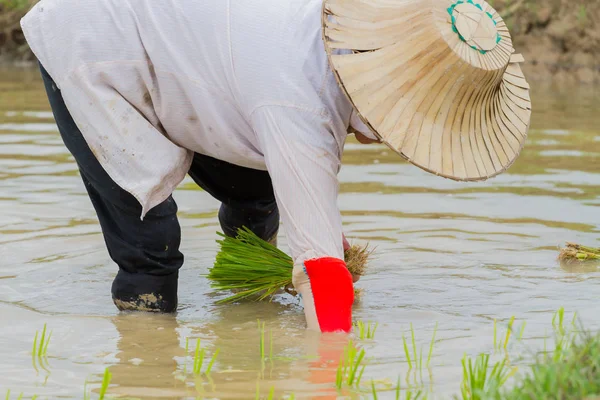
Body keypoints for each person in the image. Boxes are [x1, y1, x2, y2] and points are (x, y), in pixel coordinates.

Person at [20, 0, 530, 333]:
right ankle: (144, 353)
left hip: (195, 58)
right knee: (149, 249)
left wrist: (324, 232)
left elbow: (305, 177)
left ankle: (241, 302)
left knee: (258, 192)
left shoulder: (342, 37)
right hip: (91, 41)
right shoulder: (300, 100)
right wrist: (333, 363)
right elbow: (320, 269)